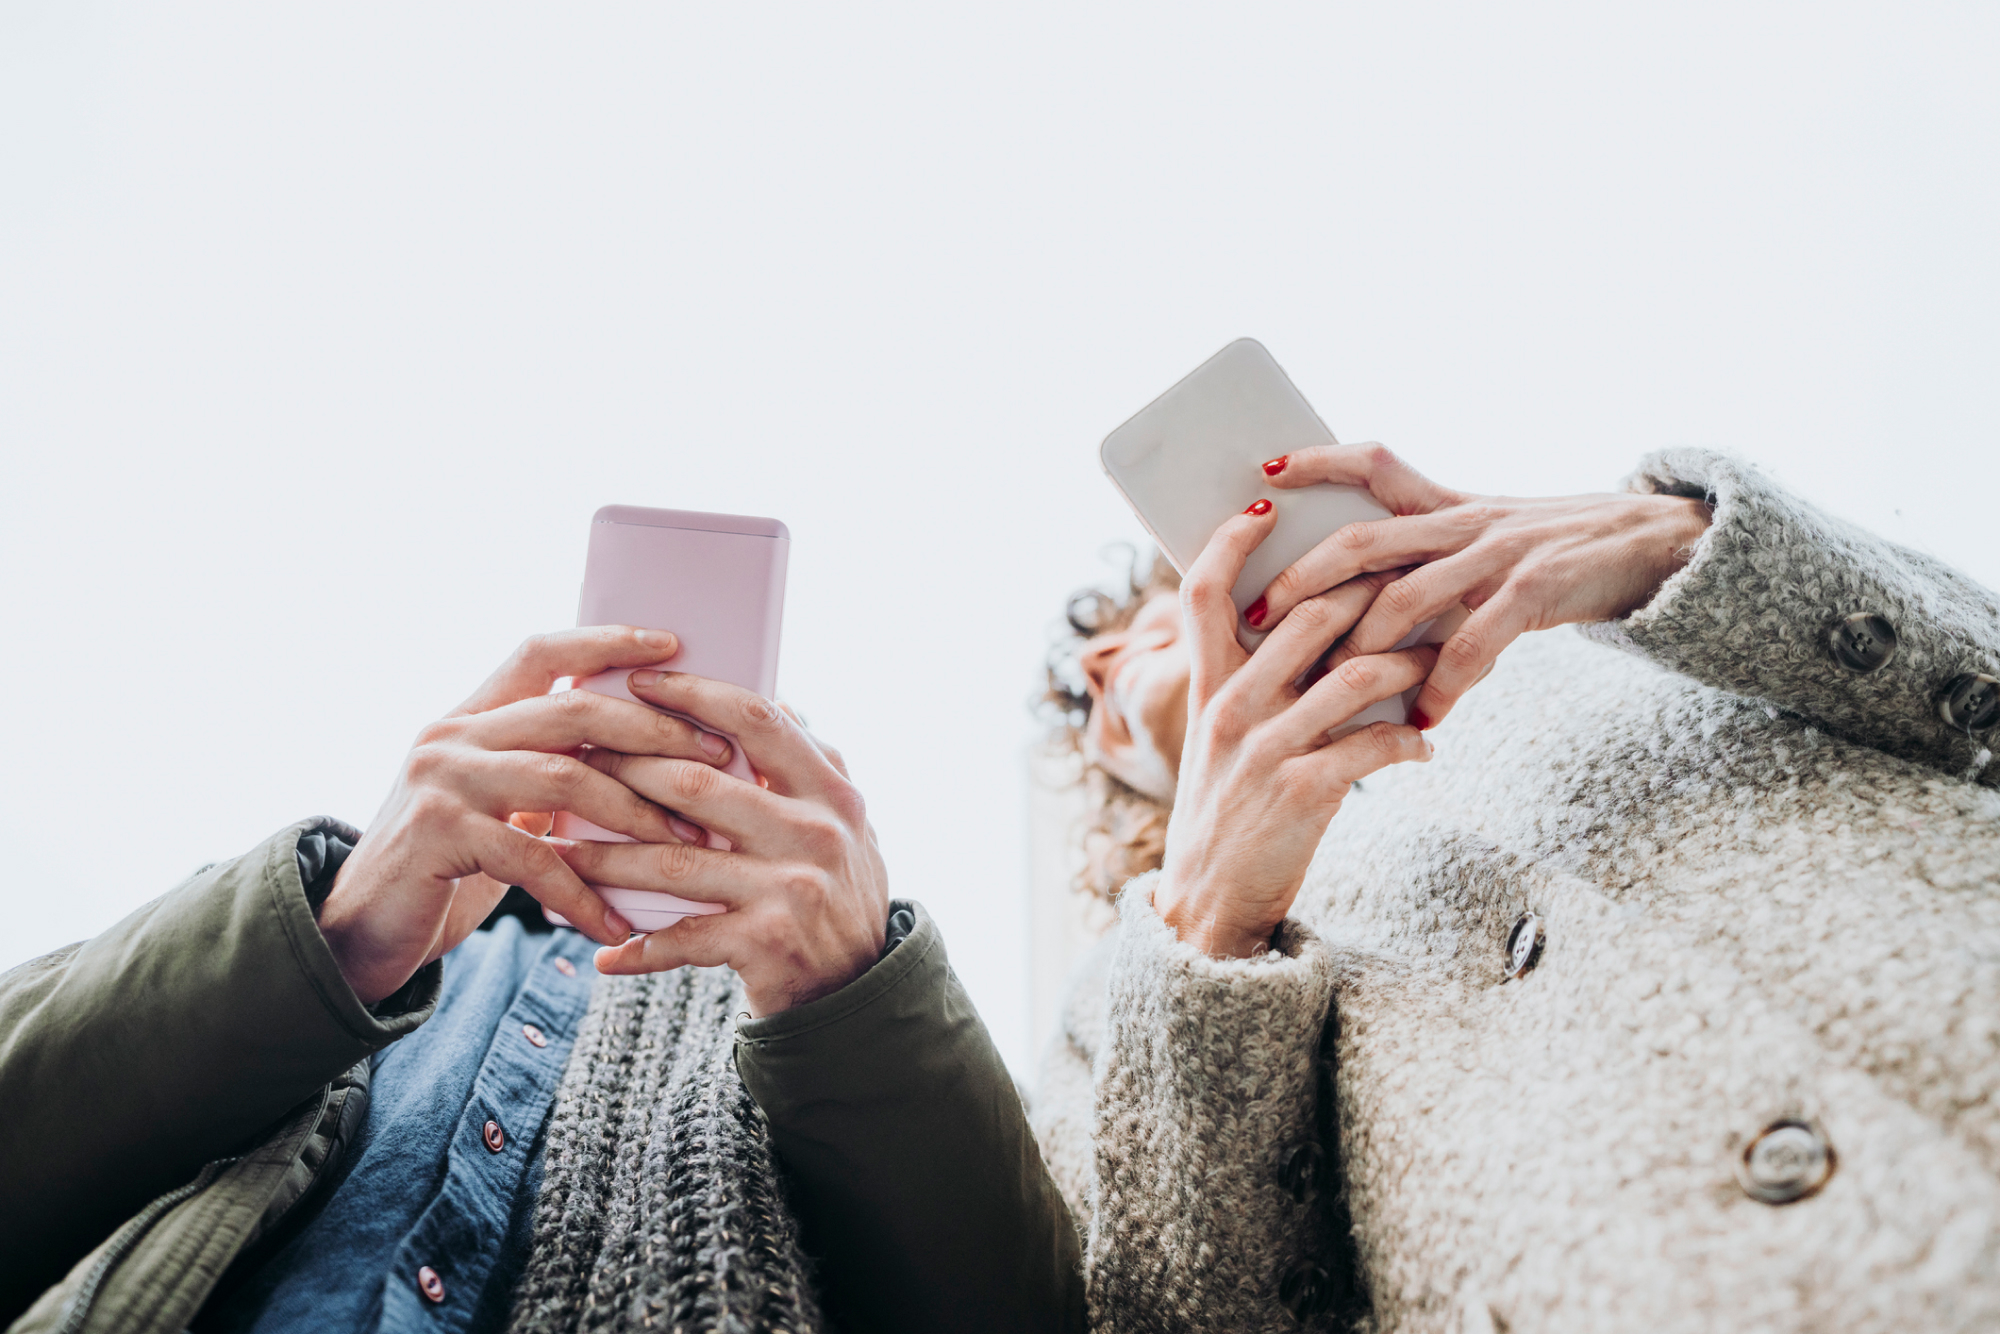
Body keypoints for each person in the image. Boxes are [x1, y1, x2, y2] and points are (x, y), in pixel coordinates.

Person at [1030, 445, 2000, 1332]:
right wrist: (1207, 926)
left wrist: (1688, 549)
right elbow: (1175, 1313)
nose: (1093, 661)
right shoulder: (1119, 997)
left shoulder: (1588, 620)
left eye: (1135, 627)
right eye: (1087, 697)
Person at [0, 632, 1082, 1334]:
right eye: (625, 725)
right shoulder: (341, 936)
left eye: (723, 754)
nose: (668, 769)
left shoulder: (843, 1028)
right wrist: (340, 931)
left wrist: (855, 992)